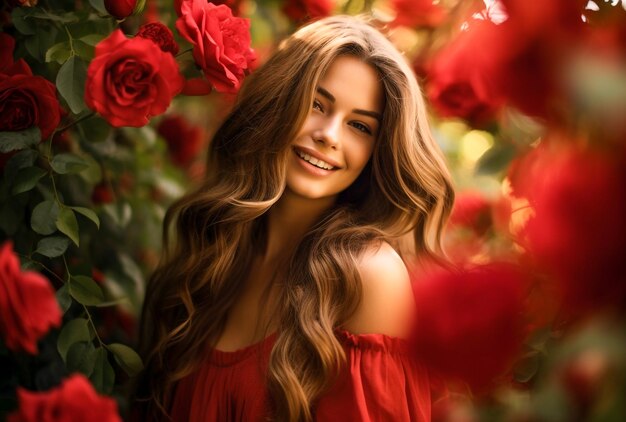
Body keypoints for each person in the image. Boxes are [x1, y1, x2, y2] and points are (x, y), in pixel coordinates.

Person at [134, 14, 454, 422]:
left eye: (359, 125)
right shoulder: (215, 251)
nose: (330, 135)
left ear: (379, 150)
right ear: (277, 104)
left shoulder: (369, 275)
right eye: (316, 104)